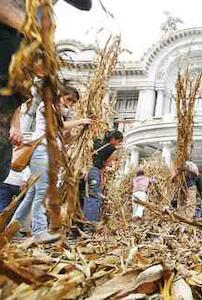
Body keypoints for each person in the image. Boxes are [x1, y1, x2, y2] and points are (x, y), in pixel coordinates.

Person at [0, 0, 92, 183]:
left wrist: (15, 124)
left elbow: (85, 4)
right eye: (69, 100)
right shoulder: (47, 107)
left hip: (8, 103)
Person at [11, 85, 92, 244]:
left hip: (51, 153)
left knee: (32, 194)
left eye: (73, 102)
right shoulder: (47, 105)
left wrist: (77, 130)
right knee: (42, 191)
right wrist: (79, 121)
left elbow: (66, 139)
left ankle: (13, 229)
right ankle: (39, 231)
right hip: (42, 151)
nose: (70, 104)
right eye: (68, 100)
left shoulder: (62, 115)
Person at [83, 130, 123, 223]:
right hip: (93, 172)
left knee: (86, 196)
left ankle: (83, 220)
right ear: (113, 139)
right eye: (119, 141)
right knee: (94, 196)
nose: (119, 144)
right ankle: (91, 223)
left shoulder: (96, 141)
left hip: (84, 170)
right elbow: (105, 164)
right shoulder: (112, 149)